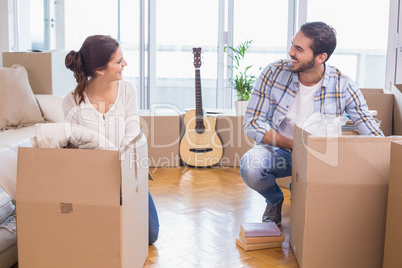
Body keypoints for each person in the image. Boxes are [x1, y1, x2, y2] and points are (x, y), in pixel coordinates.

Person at [240, 21, 384, 226]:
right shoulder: (273, 73)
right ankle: (274, 200)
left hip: (320, 156)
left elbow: (367, 126)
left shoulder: (342, 84)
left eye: (299, 49)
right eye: (292, 45)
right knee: (251, 167)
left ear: (321, 57)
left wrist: (388, 156)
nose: (290, 52)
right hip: (279, 149)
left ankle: (299, 189)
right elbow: (252, 123)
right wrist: (293, 145)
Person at [62, 35, 159, 244]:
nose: (125, 64)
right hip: (92, 178)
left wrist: (121, 171)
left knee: (150, 234)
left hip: (126, 172)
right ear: (99, 70)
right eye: (118, 61)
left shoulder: (128, 91)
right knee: (97, 234)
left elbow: (132, 135)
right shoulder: (71, 101)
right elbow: (79, 146)